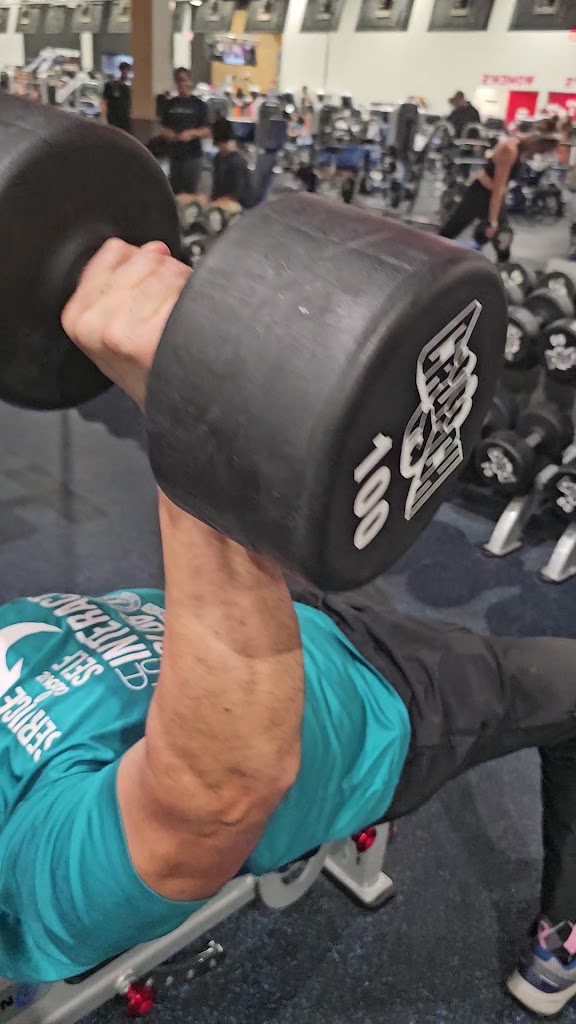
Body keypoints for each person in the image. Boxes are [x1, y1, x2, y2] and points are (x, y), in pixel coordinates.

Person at [1, 241, 576, 1020]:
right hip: (382, 701)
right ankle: (562, 941)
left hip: (271, 612)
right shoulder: (28, 882)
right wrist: (193, 409)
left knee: (331, 509)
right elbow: (215, 793)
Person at [440, 118, 560, 249]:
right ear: (536, 142)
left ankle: (476, 250)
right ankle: (433, 254)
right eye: (541, 150)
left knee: (502, 238)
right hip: (479, 195)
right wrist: (493, 220)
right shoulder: (510, 149)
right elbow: (498, 187)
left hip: (493, 194)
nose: (539, 154)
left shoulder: (521, 149)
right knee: (449, 233)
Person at [161, 68, 210, 195]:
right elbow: (164, 127)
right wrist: (167, 133)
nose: (181, 84)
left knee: (190, 193)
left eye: (184, 80)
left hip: (192, 156)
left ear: (190, 81)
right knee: (174, 192)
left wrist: (192, 133)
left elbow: (207, 131)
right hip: (175, 156)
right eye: (178, 81)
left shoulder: (199, 105)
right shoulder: (170, 104)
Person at [211, 117, 256, 209]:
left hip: (239, 203)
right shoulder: (219, 158)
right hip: (225, 198)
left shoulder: (237, 162)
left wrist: (214, 203)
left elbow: (236, 194)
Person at [101, 61, 132, 134]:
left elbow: (128, 104)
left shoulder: (126, 88)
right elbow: (104, 101)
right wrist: (103, 117)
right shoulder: (110, 85)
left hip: (125, 119)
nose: (126, 74)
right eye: (124, 71)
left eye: (127, 72)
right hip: (113, 119)